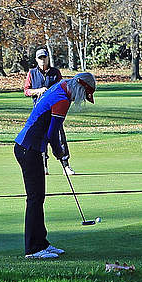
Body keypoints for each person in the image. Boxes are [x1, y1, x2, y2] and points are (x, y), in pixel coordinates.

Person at [14, 72, 96, 259]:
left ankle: (42, 243)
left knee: (38, 198)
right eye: (84, 95)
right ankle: (33, 249)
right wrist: (60, 153)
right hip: (29, 149)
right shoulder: (62, 100)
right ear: (79, 87)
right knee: (35, 199)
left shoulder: (59, 88)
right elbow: (53, 134)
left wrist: (57, 151)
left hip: (28, 148)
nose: (80, 100)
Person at [23, 48, 73, 176]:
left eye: (44, 57)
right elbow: (27, 91)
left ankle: (65, 165)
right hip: (40, 112)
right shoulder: (32, 73)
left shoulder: (55, 72)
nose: (42, 60)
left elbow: (63, 88)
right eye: (40, 58)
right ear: (36, 59)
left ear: (47, 58)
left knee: (60, 137)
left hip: (55, 110)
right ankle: (43, 166)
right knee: (41, 139)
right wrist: (38, 91)